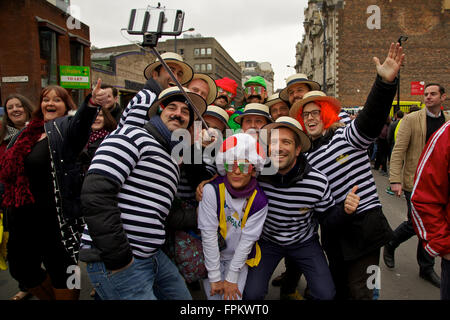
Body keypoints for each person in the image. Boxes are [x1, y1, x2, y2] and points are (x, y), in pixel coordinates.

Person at [289, 42, 404, 299]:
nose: (310, 118)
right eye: (305, 115)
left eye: (315, 112)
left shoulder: (345, 136)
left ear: (326, 115)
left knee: (362, 293)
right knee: (339, 290)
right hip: (333, 233)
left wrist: (384, 84)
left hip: (364, 230)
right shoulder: (304, 157)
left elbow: (370, 120)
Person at [79, 86, 207, 300]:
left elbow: (162, 210)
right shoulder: (131, 135)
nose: (178, 114)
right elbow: (96, 194)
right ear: (157, 111)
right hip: (122, 260)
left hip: (153, 256)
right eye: (172, 107)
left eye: (186, 111)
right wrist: (119, 256)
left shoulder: (171, 157)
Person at [0, 83, 101, 300]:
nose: (50, 103)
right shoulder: (26, 133)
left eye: (57, 100)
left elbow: (81, 125)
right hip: (23, 219)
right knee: (21, 270)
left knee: (64, 273)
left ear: (66, 106)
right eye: (46, 99)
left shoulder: (65, 129)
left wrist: (91, 103)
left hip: (55, 220)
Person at [242, 117, 360, 300]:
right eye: (273, 142)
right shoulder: (256, 174)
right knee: (251, 294)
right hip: (267, 242)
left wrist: (345, 211)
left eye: (286, 142)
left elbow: (328, 219)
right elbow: (230, 179)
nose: (278, 148)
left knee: (325, 294)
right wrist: (207, 184)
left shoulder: (317, 181)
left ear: (298, 149)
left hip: (304, 242)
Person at [386, 83, 449, 288]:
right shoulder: (411, 119)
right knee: (419, 223)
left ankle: (424, 266)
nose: (428, 97)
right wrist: (395, 179)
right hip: (414, 182)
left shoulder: (447, 121)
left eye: (433, 94)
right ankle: (394, 245)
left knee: (429, 223)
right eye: (425, 94)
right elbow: (399, 150)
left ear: (443, 97)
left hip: (440, 183)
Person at [198, 133, 268, 300]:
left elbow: (247, 240)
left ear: (253, 170)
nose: (237, 171)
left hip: (238, 259)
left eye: (244, 167)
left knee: (233, 299)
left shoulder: (259, 200)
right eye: (231, 165)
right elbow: (208, 234)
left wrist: (231, 277)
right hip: (212, 255)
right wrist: (214, 276)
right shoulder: (211, 190)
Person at [0, 94, 35, 300]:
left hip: (37, 198)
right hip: (12, 201)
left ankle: (63, 286)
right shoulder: (3, 136)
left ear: (27, 107)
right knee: (18, 255)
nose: (15, 109)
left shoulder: (38, 130)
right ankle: (27, 285)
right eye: (10, 107)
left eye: (19, 105)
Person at [411, 120, 450, 300]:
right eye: (427, 93)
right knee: (408, 225)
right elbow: (424, 198)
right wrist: (443, 245)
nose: (428, 97)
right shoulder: (446, 135)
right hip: (413, 175)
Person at [119, 52, 193, 128]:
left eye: (179, 74)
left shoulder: (158, 99)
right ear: (155, 74)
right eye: (170, 71)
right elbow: (130, 135)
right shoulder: (148, 98)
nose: (176, 78)